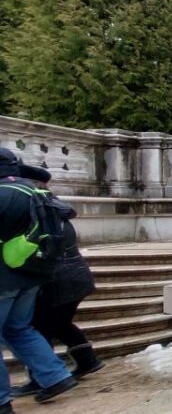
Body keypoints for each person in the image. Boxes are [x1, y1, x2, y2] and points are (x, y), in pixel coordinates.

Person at [8, 166, 101, 397]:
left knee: (39, 327)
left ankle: (44, 378)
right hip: (76, 276)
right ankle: (86, 360)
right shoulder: (54, 207)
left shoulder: (37, 208)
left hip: (57, 279)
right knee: (60, 324)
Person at [0, 149, 76, 414]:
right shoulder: (34, 191)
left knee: (14, 329)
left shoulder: (2, 194)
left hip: (4, 276)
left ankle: (1, 402)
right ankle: (54, 376)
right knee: (18, 328)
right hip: (32, 273)